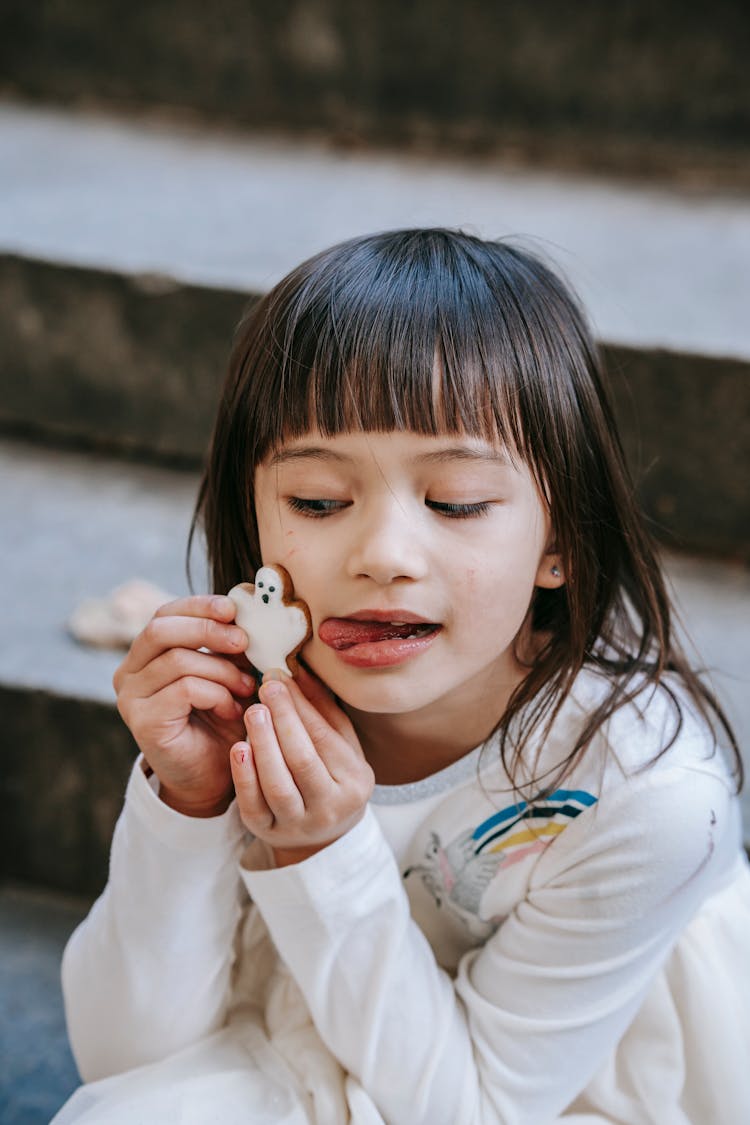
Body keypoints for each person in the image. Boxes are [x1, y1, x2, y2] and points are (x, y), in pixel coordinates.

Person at [55, 229, 749, 1124]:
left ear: (562, 540)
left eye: (456, 502)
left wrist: (317, 852)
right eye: (317, 501)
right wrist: (185, 806)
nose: (381, 556)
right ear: (257, 518)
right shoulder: (245, 695)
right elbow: (120, 1059)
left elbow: (479, 1107)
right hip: (328, 1021)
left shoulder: (649, 792)